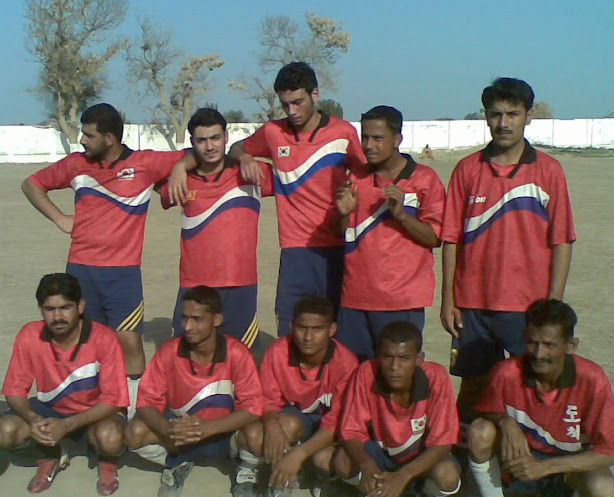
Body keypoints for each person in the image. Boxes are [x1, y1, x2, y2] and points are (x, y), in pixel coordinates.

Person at [22, 103, 187, 416]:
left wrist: (178, 168)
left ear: (110, 138)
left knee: (130, 344)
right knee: (84, 344)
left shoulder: (145, 163)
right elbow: (31, 184)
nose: (82, 140)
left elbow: (190, 155)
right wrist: (59, 218)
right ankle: (88, 411)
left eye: (88, 135)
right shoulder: (75, 164)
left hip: (123, 275)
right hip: (81, 272)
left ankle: (134, 413)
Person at [440, 78, 576, 423]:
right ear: (485, 116)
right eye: (495, 114)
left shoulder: (548, 171)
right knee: (473, 387)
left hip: (526, 306)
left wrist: (552, 305)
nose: (503, 123)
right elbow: (451, 238)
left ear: (528, 115)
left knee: (531, 387)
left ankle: (529, 466)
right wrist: (448, 298)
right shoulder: (467, 170)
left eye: (512, 114)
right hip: (472, 305)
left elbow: (561, 240)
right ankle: (465, 466)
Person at [212, 62, 365, 336]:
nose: (292, 111)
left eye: (298, 102)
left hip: (339, 245)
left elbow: (367, 176)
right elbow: (236, 148)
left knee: (338, 329)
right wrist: (246, 157)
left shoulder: (343, 133)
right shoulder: (273, 132)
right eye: (285, 104)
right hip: (295, 249)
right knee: (290, 326)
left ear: (315, 94)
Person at [459, 300, 614, 497]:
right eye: (532, 342)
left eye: (549, 345)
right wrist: (505, 422)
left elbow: (611, 452)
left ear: (571, 346)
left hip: (566, 466)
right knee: (479, 431)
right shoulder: (506, 372)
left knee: (604, 492)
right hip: (520, 463)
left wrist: (546, 467)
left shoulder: (592, 379)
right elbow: (486, 410)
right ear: (524, 337)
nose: (538, 353)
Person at [124, 286, 262, 497]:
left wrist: (208, 429)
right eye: (184, 318)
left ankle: (245, 470)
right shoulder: (169, 351)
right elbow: (145, 402)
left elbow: (253, 408)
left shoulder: (237, 353)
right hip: (181, 434)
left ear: (216, 320)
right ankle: (177, 462)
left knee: (257, 434)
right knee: (134, 431)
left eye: (197, 319)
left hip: (225, 433)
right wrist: (166, 429)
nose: (188, 326)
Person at [0, 273, 128, 495]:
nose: (58, 316)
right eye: (50, 309)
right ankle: (51, 455)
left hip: (95, 413)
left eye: (65, 307)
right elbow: (14, 391)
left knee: (111, 438)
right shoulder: (29, 335)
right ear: (40, 308)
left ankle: (106, 461)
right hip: (49, 410)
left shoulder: (104, 338)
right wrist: (34, 419)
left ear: (80, 306)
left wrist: (67, 426)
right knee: (5, 431)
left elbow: (114, 400)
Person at [333, 106, 445, 360]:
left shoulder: (424, 179)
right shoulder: (355, 178)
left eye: (378, 138)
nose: (369, 145)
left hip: (401, 301)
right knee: (352, 377)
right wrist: (343, 213)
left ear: (397, 140)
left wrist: (402, 216)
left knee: (396, 380)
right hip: (354, 299)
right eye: (365, 137)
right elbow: (342, 235)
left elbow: (435, 238)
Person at [160, 108, 272, 348]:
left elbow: (294, 171)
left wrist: (245, 156)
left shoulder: (250, 173)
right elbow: (152, 175)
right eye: (202, 140)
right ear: (192, 143)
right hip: (194, 285)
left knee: (242, 359)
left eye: (215, 138)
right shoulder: (181, 179)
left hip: (240, 284)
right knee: (187, 359)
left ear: (226, 138)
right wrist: (180, 166)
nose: (210, 147)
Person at [233, 296, 358, 497]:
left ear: (332, 329)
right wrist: (272, 426)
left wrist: (299, 454)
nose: (308, 337)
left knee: (325, 459)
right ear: (292, 326)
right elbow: (268, 400)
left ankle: (312, 470)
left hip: (326, 431)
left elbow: (338, 421)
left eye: (318, 329)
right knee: (260, 433)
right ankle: (252, 469)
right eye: (301, 328)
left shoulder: (346, 363)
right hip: (292, 422)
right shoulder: (278, 351)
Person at [335, 321, 461, 497]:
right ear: (378, 356)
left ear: (419, 359)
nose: (395, 367)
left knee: (447, 475)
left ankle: (426, 496)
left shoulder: (435, 377)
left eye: (404, 359)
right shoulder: (367, 372)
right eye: (388, 357)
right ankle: (370, 491)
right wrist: (367, 466)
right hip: (382, 454)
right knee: (342, 460)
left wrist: (403, 476)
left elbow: (443, 442)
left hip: (418, 457)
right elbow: (350, 431)